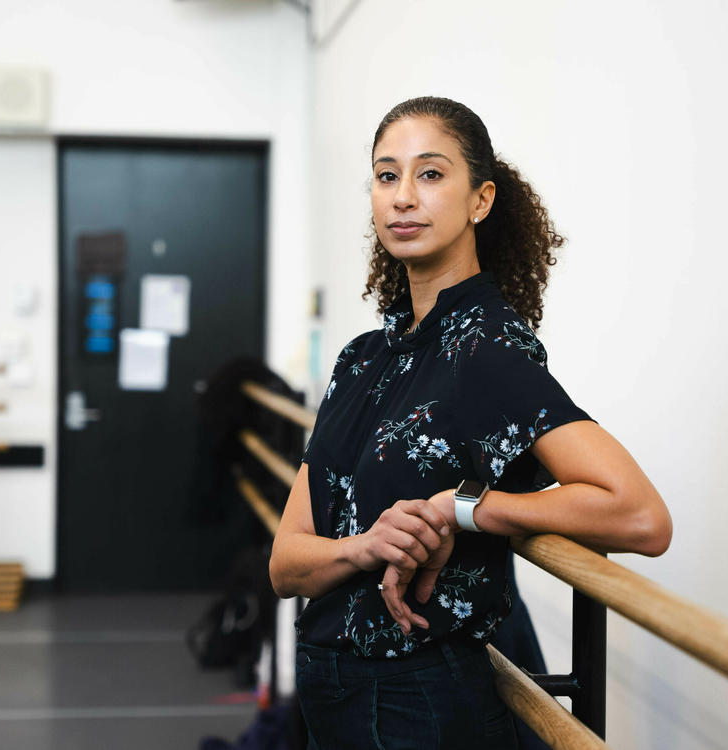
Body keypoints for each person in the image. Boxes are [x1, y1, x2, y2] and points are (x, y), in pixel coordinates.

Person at [269, 96, 672, 750]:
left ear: (480, 200)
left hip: (418, 705)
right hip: (330, 699)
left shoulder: (485, 350)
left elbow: (639, 516)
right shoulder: (363, 359)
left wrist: (467, 511)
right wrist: (365, 546)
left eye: (430, 174)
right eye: (386, 174)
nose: (403, 196)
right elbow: (287, 564)